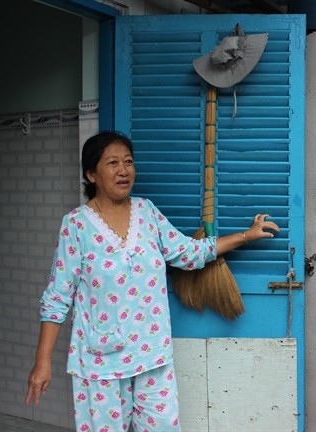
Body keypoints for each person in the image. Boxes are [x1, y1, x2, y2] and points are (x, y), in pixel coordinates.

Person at [24, 131, 279, 431]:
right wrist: (42, 362)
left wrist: (245, 236)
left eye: (128, 161)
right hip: (101, 362)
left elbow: (189, 253)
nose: (123, 170)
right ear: (91, 174)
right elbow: (57, 298)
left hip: (151, 355)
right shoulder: (76, 226)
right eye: (113, 163)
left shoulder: (146, 212)